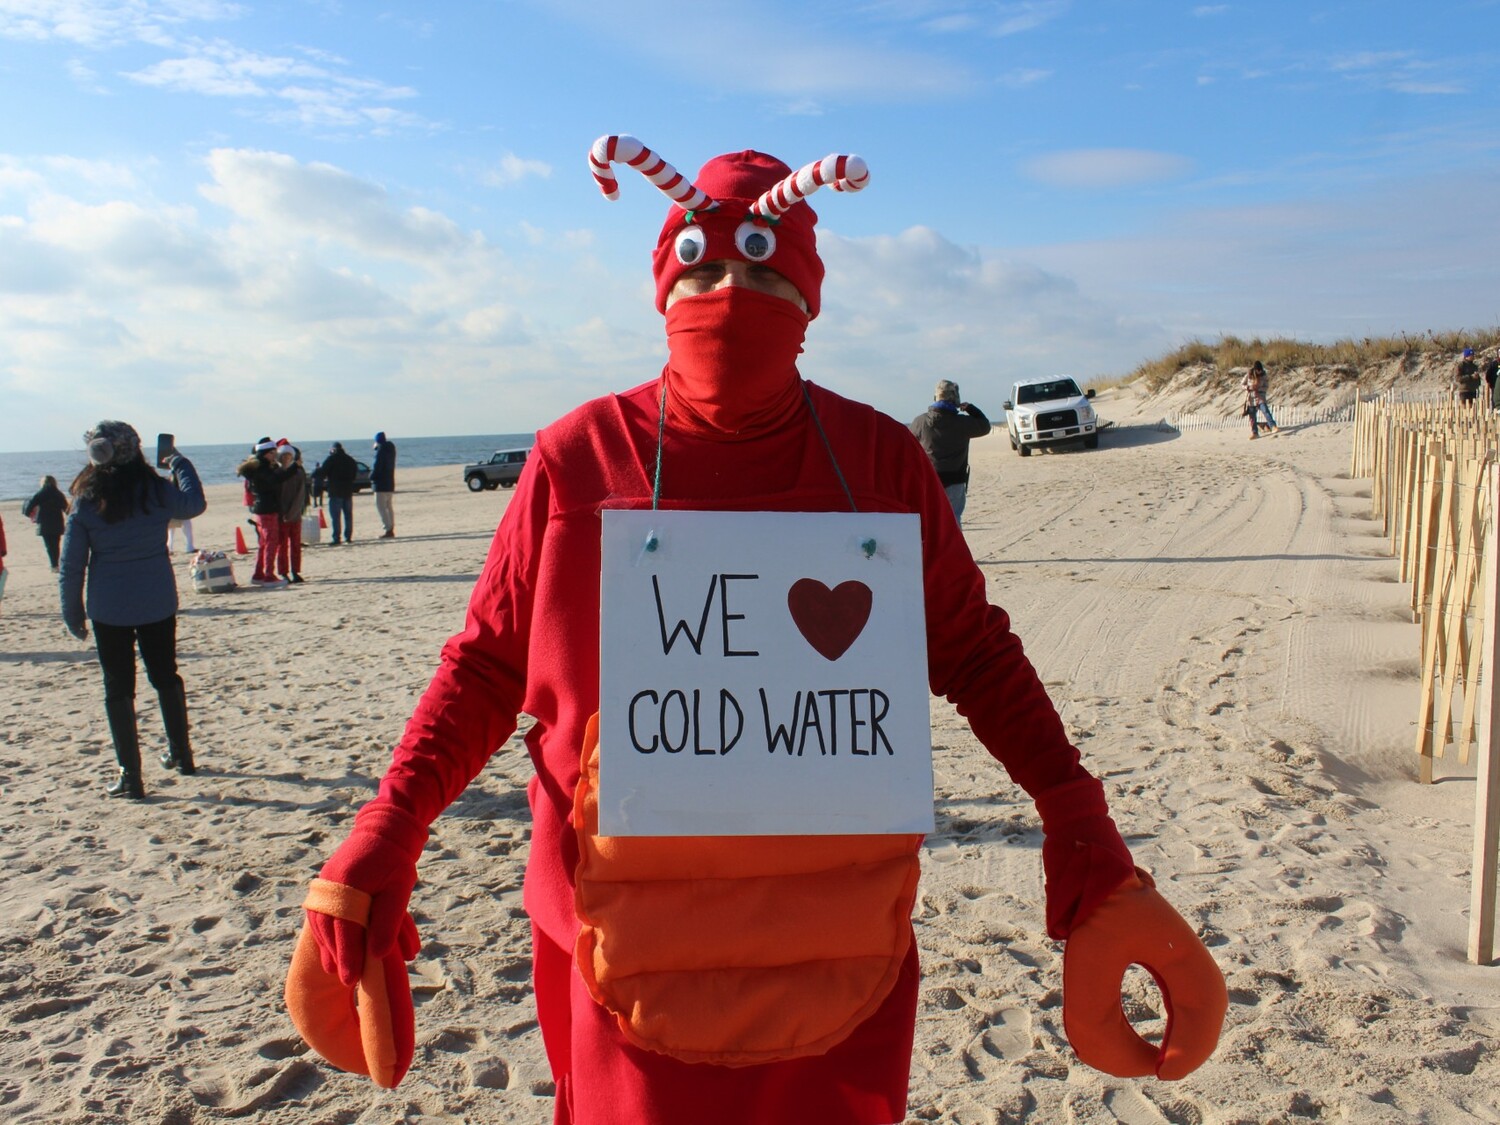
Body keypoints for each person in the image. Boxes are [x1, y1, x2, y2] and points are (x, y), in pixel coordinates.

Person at [287, 140, 1225, 1123]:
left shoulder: (880, 461)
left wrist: (1079, 816)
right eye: (703, 268)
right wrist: (390, 824)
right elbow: (486, 667)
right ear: (665, 283)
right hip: (616, 943)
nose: (731, 293)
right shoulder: (578, 457)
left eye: (766, 271)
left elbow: (977, 652)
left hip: (840, 948)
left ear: (808, 296)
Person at [59, 422, 206, 798]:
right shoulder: (156, 490)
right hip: (157, 600)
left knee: (118, 687)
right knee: (166, 676)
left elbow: (72, 565)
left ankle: (131, 776)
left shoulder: (87, 499)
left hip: (109, 607)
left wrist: (72, 612)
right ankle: (182, 754)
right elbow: (194, 504)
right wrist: (178, 462)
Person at [908, 380, 991, 525]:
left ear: (936, 397)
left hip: (930, 479)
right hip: (955, 479)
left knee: (930, 520)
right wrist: (971, 408)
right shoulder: (962, 423)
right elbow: (985, 426)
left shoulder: (920, 422)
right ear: (955, 400)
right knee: (953, 520)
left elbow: (909, 446)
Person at [237, 437, 288, 586]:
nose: (275, 455)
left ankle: (258, 574)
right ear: (266, 453)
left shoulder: (258, 467)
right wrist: (291, 468)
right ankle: (268, 576)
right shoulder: (262, 468)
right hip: (267, 509)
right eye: (273, 452)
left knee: (264, 543)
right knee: (271, 542)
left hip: (262, 509)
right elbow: (275, 480)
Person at [276, 442, 310, 584]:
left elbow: (301, 495)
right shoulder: (277, 472)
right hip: (280, 514)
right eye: (283, 455)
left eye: (289, 455)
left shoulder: (298, 472)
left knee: (295, 545)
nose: (286, 458)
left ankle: (295, 571)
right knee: (282, 546)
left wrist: (293, 512)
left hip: (294, 514)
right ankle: (283, 572)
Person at [23, 474, 71, 572]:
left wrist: (30, 514)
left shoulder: (40, 494)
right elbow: (67, 509)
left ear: (43, 483)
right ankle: (55, 564)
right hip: (57, 522)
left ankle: (54, 565)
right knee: (56, 544)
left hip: (44, 523)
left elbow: (29, 507)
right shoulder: (58, 494)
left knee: (49, 545)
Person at [321, 441, 358, 545]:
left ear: (333, 449)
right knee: (348, 515)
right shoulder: (350, 459)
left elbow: (323, 472)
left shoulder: (331, 459)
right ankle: (348, 537)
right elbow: (354, 474)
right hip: (348, 490)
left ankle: (336, 537)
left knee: (336, 516)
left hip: (335, 491)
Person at [371, 431, 397, 538]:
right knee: (388, 507)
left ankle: (388, 529)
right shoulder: (391, 449)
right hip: (389, 482)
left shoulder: (381, 451)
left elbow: (377, 466)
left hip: (380, 484)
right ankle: (391, 527)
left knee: (381, 507)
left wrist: (371, 477)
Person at [1241, 361, 1276, 439]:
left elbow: (1266, 386)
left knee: (1265, 410)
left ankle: (1273, 426)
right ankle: (1255, 433)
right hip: (1250, 398)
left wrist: (1259, 389)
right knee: (1252, 416)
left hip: (1260, 396)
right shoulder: (1249, 374)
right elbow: (1242, 384)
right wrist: (1248, 387)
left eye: (1260, 370)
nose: (1259, 372)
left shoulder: (1264, 375)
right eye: (1258, 370)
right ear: (1255, 369)